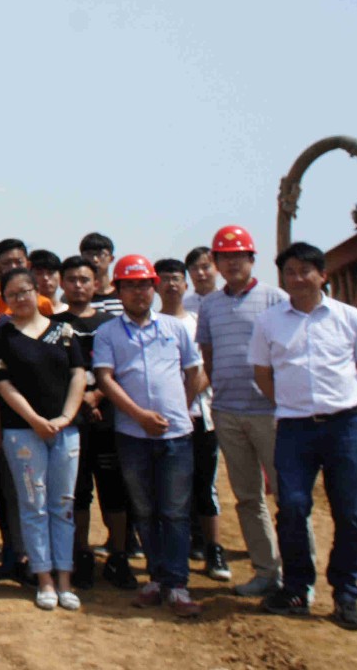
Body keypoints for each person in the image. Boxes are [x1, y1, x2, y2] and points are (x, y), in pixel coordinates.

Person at [252, 241, 357, 631]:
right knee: (292, 506)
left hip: (345, 427)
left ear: (322, 275)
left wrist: (347, 404)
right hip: (295, 429)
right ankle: (295, 588)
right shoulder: (269, 322)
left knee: (349, 513)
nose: (297, 279)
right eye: (290, 272)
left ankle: (346, 595)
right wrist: (291, 404)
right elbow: (262, 374)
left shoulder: (350, 317)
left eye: (305, 271)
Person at [93, 255, 206, 617]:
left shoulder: (175, 328)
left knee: (175, 511)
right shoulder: (108, 333)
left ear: (153, 288)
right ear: (119, 291)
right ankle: (157, 578)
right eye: (130, 286)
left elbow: (194, 372)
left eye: (144, 284)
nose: (138, 292)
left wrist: (179, 409)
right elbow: (106, 379)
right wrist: (140, 416)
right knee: (144, 509)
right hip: (132, 435)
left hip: (176, 436)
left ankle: (178, 583)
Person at [195, 224, 293, 597]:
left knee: (288, 497)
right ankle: (267, 572)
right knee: (248, 497)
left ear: (252, 258)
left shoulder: (275, 299)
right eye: (225, 257)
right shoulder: (210, 306)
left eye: (239, 256)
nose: (232, 263)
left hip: (270, 412)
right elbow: (209, 356)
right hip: (227, 412)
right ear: (216, 263)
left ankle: (298, 575)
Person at [0, 267, 87, 611]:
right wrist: (35, 420)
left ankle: (65, 580)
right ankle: (43, 578)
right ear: (5, 300)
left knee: (63, 505)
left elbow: (78, 375)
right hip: (22, 433)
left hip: (65, 431)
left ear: (37, 292)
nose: (20, 299)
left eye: (25, 291)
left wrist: (64, 418)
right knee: (33, 505)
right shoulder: (2, 337)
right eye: (12, 295)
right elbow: (3, 384)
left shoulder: (64, 331)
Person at [55, 255, 133, 590]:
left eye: (84, 279)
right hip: (71, 419)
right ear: (62, 284)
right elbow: (51, 372)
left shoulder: (111, 324)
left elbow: (123, 368)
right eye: (71, 279)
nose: (78, 285)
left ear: (97, 284)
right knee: (78, 490)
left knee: (114, 489)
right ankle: (82, 554)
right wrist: (79, 402)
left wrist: (98, 396)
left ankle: (119, 555)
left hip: (109, 418)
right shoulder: (53, 325)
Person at [155, 258, 227, 581]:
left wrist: (183, 405)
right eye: (164, 279)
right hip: (162, 422)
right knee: (168, 490)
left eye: (176, 278)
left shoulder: (199, 322)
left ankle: (214, 549)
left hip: (198, 417)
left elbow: (208, 367)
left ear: (186, 285)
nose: (170, 284)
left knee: (204, 485)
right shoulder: (150, 324)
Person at [79, 233, 125, 319]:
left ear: (111, 258)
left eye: (100, 254)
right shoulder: (77, 295)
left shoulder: (124, 295)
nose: (95, 259)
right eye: (89, 254)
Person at [183, 246, 219, 313]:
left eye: (205, 267)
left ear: (217, 268)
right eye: (194, 268)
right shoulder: (182, 306)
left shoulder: (229, 301)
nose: (200, 273)